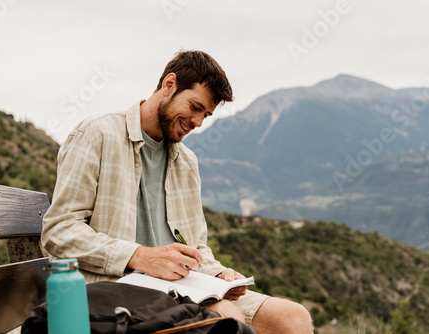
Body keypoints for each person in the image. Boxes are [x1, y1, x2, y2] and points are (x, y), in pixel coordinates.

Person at [42, 50, 313, 333]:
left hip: (183, 288)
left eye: (205, 115)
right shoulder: (97, 134)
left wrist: (218, 274)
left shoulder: (187, 162)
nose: (198, 122)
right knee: (225, 317)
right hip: (114, 291)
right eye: (195, 107)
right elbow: (59, 231)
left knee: (293, 317)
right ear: (169, 85)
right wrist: (140, 256)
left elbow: (195, 248)